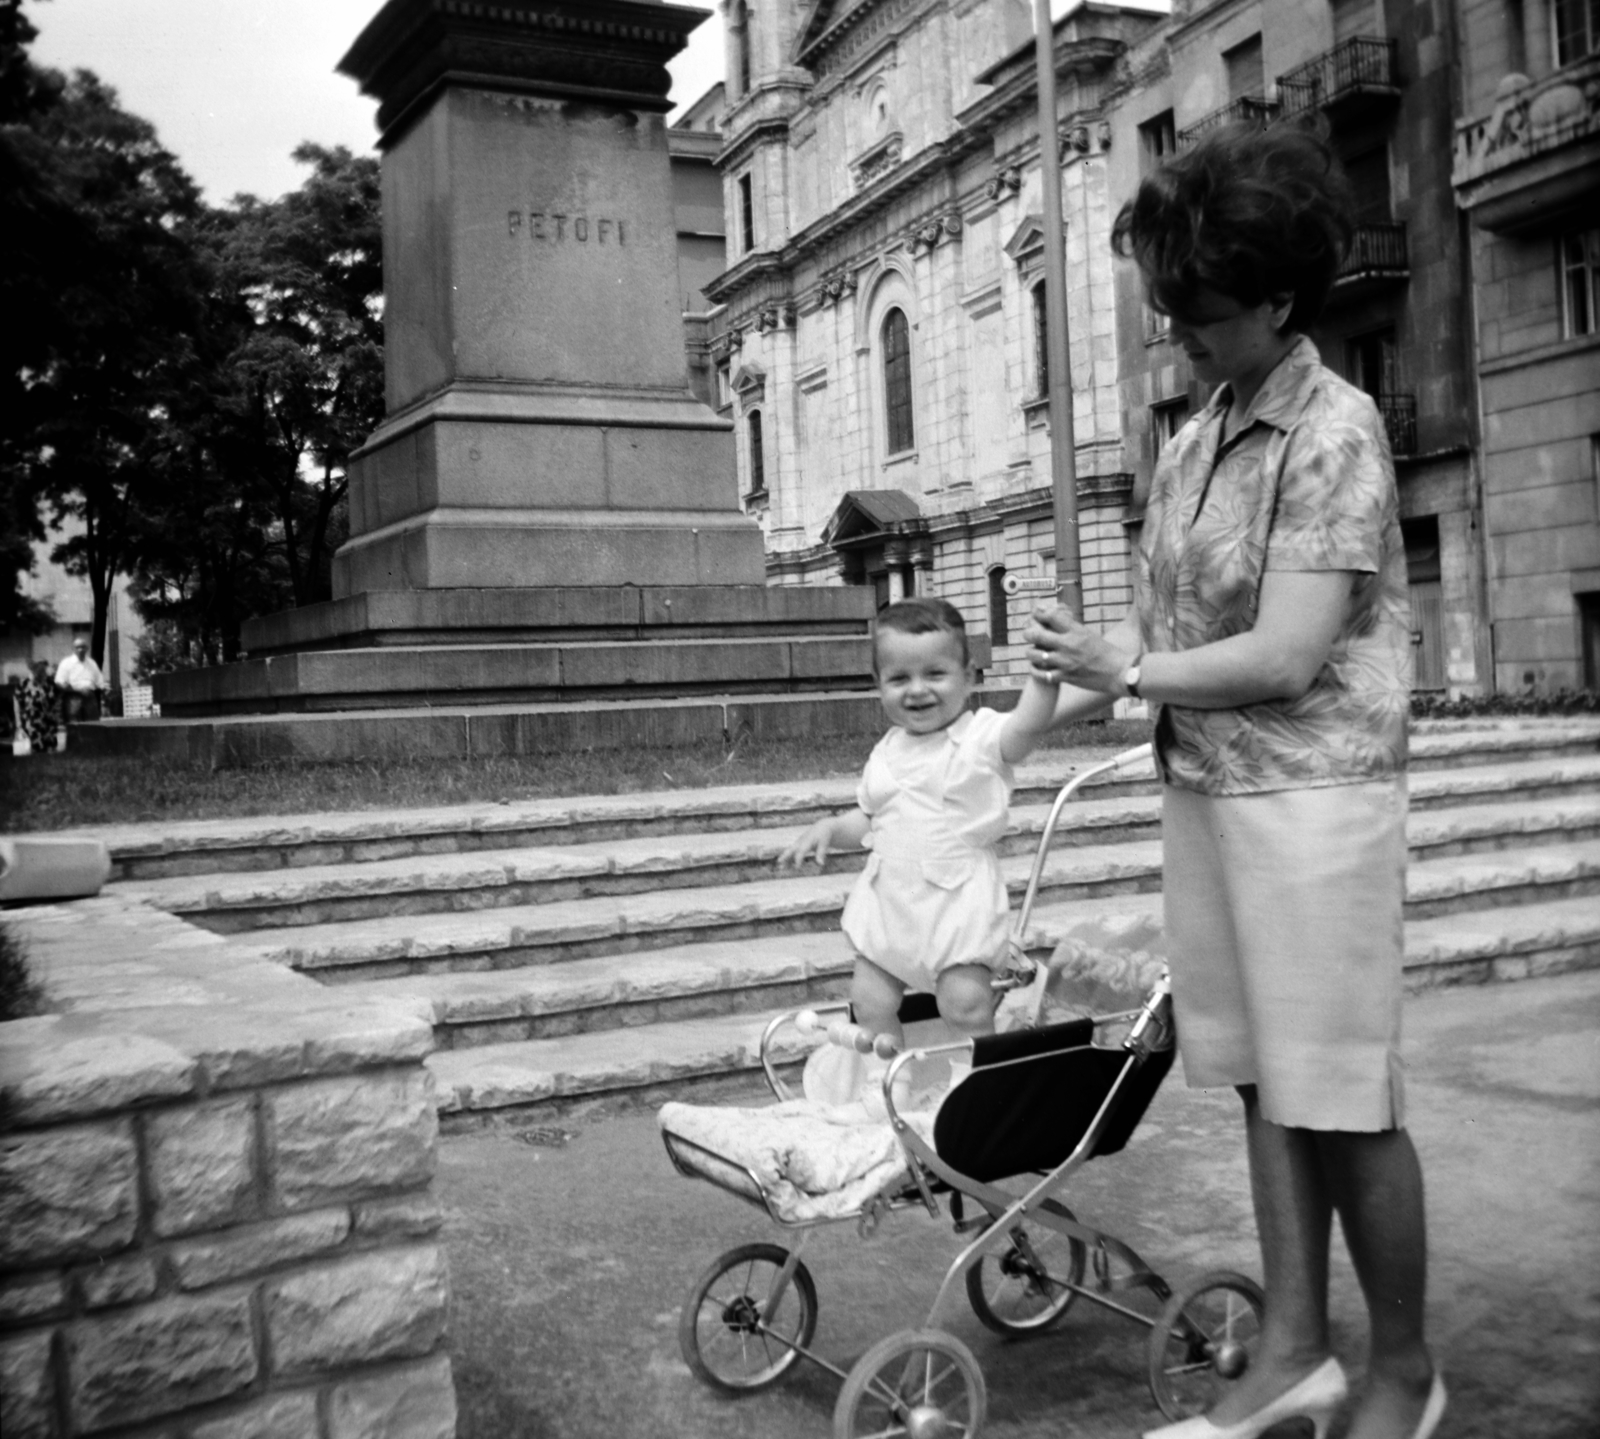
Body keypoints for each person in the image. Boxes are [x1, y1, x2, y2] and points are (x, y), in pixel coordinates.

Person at [1023, 124, 1443, 1439]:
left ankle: (1407, 1371)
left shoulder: (1337, 425)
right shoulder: (1199, 430)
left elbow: (1287, 651)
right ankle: (1298, 1350)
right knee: (1266, 1079)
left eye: (1199, 312)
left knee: (1343, 1092)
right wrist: (1004, 732)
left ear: (1276, 298)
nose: (1178, 335)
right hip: (1209, 793)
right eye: (1167, 309)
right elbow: (1164, 652)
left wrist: (1127, 665)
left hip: (1315, 802)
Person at [777, 597, 1059, 1108]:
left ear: (969, 676)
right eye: (899, 678)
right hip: (892, 900)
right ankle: (886, 1083)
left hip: (955, 899)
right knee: (869, 1000)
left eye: (935, 673)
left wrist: (1043, 678)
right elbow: (870, 816)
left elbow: (1027, 728)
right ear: (879, 684)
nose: (918, 690)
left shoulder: (979, 737)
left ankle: (981, 1084)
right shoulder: (888, 749)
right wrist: (829, 828)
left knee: (966, 1003)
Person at [55, 638, 107, 723]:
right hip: (73, 698)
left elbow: (100, 682)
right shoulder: (66, 663)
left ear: (87, 648)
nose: (80, 650)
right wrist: (77, 690)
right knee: (74, 726)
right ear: (73, 649)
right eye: (77, 647)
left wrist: (103, 689)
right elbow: (59, 682)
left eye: (83, 647)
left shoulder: (92, 663)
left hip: (90, 698)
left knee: (92, 725)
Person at [16, 661, 60, 753]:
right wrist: (18, 723)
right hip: (31, 724)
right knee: (33, 752)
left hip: (48, 724)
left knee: (50, 753)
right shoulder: (23, 684)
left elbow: (54, 703)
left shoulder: (50, 684)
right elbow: (17, 703)